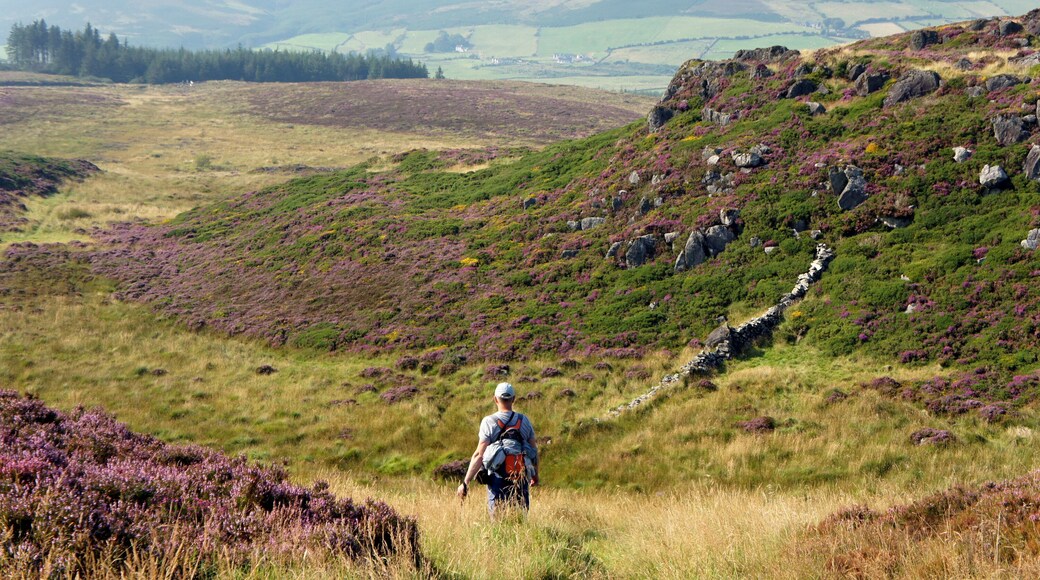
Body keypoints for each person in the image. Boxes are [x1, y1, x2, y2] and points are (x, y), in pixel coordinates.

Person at [456, 382, 538, 514]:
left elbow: (479, 455)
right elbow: (533, 451)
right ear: (513, 399)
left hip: (497, 479)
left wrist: (466, 482)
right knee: (520, 519)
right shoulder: (524, 421)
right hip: (520, 476)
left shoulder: (489, 422)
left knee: (498, 520)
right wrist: (535, 475)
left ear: (495, 399)